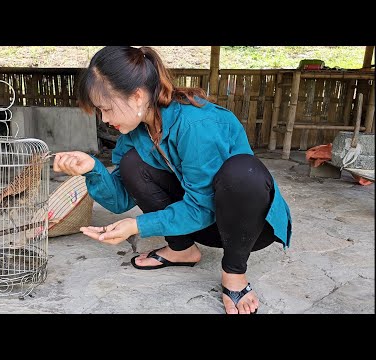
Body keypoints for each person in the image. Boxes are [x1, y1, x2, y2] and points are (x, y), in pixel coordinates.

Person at [52, 46, 292, 314]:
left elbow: (202, 206)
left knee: (242, 172)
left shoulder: (196, 124)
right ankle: (182, 249)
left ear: (137, 96)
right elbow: (120, 200)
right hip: (201, 224)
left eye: (106, 109)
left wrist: (138, 225)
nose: (105, 119)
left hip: (245, 228)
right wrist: (92, 169)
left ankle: (234, 272)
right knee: (132, 162)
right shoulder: (135, 135)